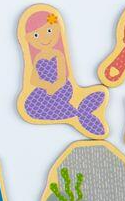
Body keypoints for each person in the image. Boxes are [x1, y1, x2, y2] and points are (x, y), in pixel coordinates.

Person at [20, 8, 106, 136]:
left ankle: (76, 112)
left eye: (49, 31)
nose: (44, 38)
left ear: (57, 30)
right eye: (36, 35)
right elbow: (34, 79)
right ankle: (76, 113)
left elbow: (62, 76)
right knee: (29, 107)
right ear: (29, 39)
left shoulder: (58, 54)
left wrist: (54, 86)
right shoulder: (37, 58)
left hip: (62, 87)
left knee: (50, 101)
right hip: (44, 89)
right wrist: (46, 86)